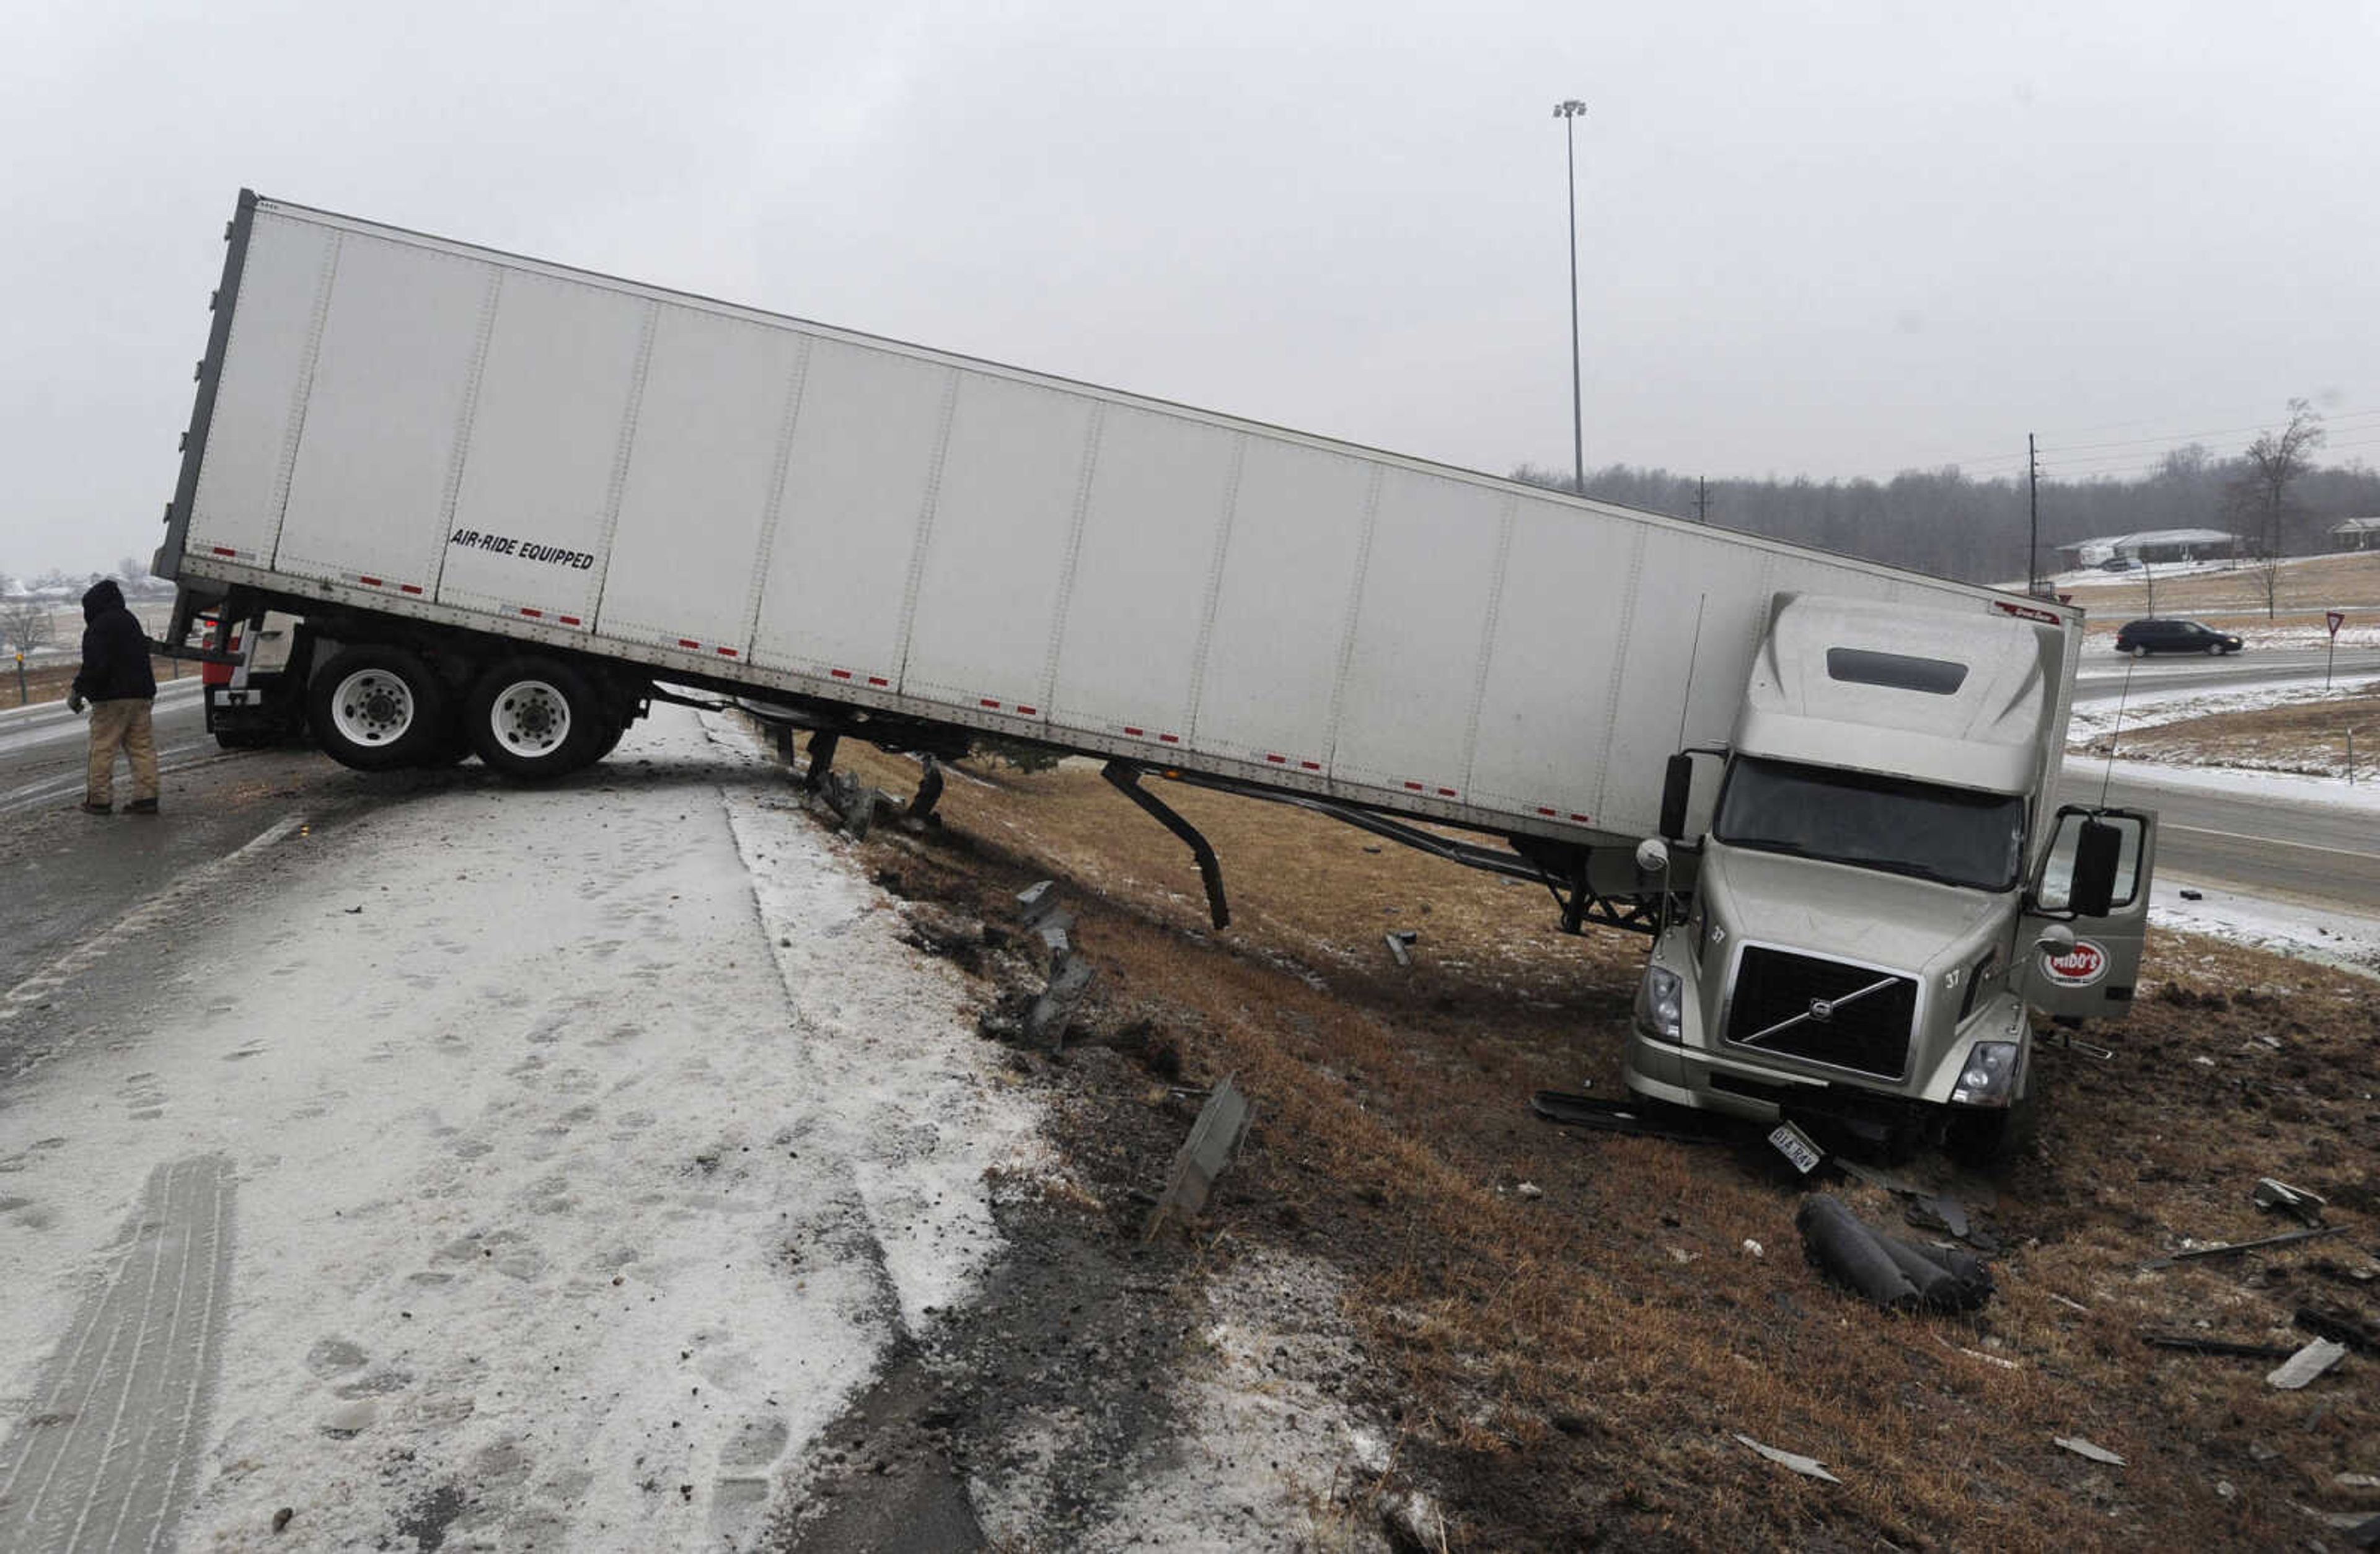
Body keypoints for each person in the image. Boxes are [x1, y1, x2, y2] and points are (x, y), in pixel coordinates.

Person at [69, 578, 159, 815]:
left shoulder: (98, 627)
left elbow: (96, 666)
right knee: (142, 748)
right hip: (141, 695)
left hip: (111, 698)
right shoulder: (130, 620)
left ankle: (99, 800)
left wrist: (79, 691)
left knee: (103, 748)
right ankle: (146, 798)